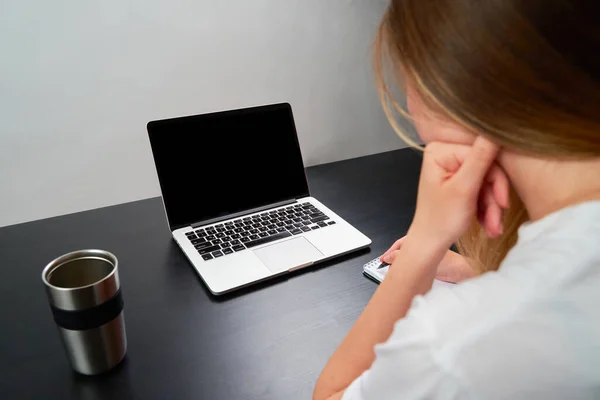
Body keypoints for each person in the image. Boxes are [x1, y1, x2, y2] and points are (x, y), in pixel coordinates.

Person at [313, 1, 600, 399]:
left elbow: (333, 394)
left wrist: (423, 241)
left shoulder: (457, 351)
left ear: (451, 90)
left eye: (408, 82)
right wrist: (479, 272)